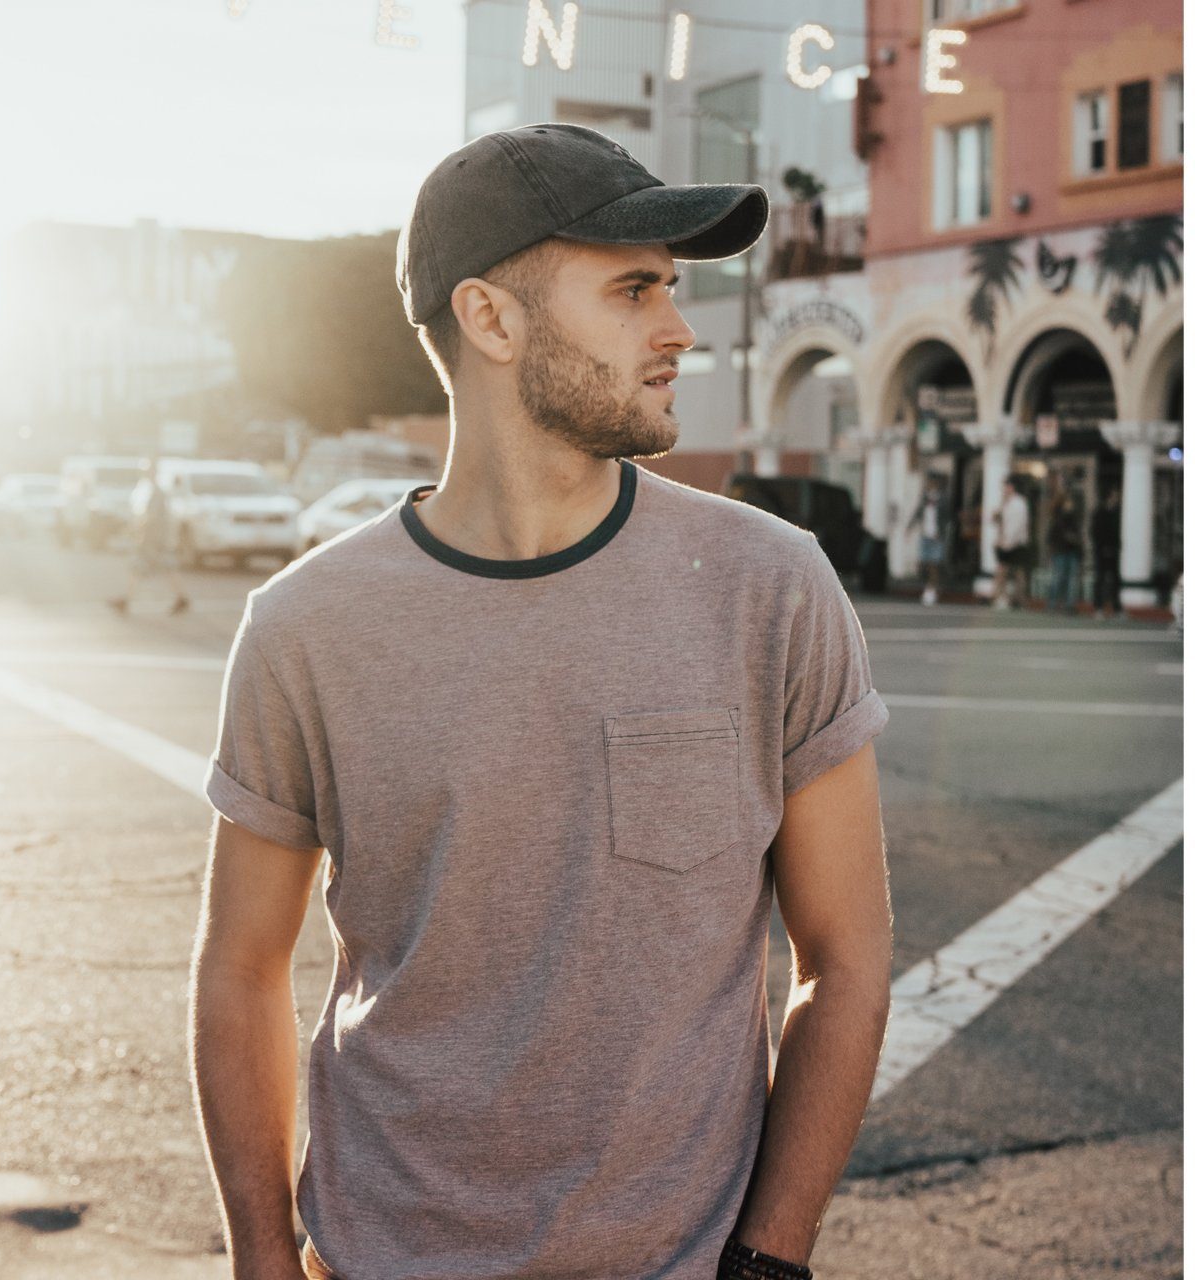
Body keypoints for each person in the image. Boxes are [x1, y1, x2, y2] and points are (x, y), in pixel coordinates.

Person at [190, 124, 892, 1280]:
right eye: (630, 290)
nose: (677, 330)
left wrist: (768, 1259)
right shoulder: (304, 626)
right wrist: (263, 1259)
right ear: (491, 319)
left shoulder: (770, 588)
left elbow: (844, 957)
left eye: (671, 288)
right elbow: (240, 967)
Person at [106, 457, 189, 616]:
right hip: (155, 539)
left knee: (153, 567)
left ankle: (126, 600)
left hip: (154, 540)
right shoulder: (154, 491)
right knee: (152, 568)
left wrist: (136, 529)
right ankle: (180, 598)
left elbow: (152, 518)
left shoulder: (157, 492)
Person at [908, 472, 950, 605]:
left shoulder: (943, 499)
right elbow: (918, 512)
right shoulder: (925, 498)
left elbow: (947, 517)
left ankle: (932, 590)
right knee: (924, 563)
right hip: (925, 534)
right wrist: (910, 527)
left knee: (934, 564)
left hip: (936, 536)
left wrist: (941, 531)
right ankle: (929, 587)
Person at [991, 473, 1030, 609]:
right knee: (1003, 570)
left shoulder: (1019, 503)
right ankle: (1001, 597)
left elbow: (1017, 525)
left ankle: (1019, 600)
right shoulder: (1006, 503)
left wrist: (1008, 542)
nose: (1004, 489)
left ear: (1011, 487)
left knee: (1018, 573)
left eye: (1006, 486)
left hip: (1016, 543)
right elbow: (1000, 521)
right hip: (1006, 541)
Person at [1045, 488, 1083, 614]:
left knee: (1071, 579)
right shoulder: (1057, 516)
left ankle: (1069, 604)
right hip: (1060, 550)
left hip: (1072, 550)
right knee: (1059, 577)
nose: (1070, 503)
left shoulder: (1073, 515)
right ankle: (1052, 603)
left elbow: (1078, 532)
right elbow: (1052, 535)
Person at [1090, 484, 1123, 620]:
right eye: (1115, 495)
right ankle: (1098, 608)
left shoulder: (1117, 512)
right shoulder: (1100, 512)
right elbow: (1095, 531)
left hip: (1114, 550)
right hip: (1101, 550)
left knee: (1115, 580)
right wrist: (1102, 546)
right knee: (1100, 579)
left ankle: (1116, 608)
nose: (1117, 498)